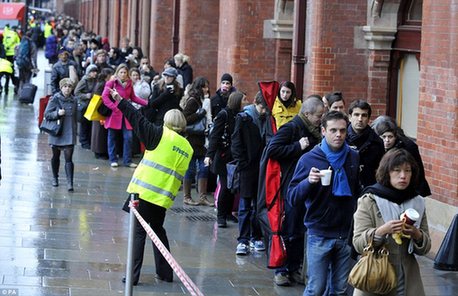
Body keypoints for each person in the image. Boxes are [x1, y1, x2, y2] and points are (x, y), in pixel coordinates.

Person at [112, 86, 193, 284]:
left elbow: (137, 119)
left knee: (139, 233)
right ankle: (165, 273)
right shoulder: (187, 147)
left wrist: (120, 100)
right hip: (163, 198)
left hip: (143, 193)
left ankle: (132, 277)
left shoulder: (159, 135)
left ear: (166, 121)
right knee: (157, 231)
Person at [288, 111, 360, 296]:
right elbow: (292, 197)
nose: (339, 135)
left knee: (339, 289)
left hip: (344, 233)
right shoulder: (309, 159)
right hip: (319, 233)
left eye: (343, 131)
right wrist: (308, 182)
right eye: (333, 130)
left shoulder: (352, 156)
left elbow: (356, 190)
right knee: (316, 288)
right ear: (323, 131)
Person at [352, 148, 431, 296]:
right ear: (386, 172)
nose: (403, 176)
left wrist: (417, 235)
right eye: (397, 170)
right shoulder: (370, 200)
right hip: (376, 274)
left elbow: (425, 248)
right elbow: (357, 243)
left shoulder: (417, 202)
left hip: (407, 277)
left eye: (408, 171)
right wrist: (381, 231)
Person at [265, 95, 325, 286]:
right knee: (288, 229)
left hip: (308, 186)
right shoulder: (291, 128)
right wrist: (297, 146)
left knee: (299, 229)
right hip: (290, 187)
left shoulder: (314, 130)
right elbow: (272, 149)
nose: (320, 119)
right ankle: (281, 269)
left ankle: (294, 268)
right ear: (307, 113)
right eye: (318, 115)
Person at [231, 92, 271, 255]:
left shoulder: (267, 119)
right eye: (262, 107)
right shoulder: (244, 118)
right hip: (248, 168)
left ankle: (256, 236)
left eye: (266, 109)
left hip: (261, 168)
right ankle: (243, 239)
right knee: (245, 205)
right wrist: (243, 162)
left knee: (258, 204)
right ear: (256, 103)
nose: (263, 111)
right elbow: (236, 142)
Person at [205, 92, 248, 226]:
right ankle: (221, 216)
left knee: (231, 187)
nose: (247, 101)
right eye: (244, 99)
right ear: (238, 101)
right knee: (225, 186)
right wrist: (209, 155)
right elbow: (215, 136)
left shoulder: (241, 116)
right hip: (223, 157)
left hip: (234, 157)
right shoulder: (224, 115)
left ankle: (228, 213)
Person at [371, 116, 431, 197]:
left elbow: (417, 172)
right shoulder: (374, 146)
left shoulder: (408, 147)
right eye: (383, 137)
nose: (386, 140)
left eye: (390, 137)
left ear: (395, 136)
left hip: (409, 189)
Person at [101, 64, 148, 167]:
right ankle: (113, 159)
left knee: (129, 137)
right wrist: (114, 107)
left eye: (125, 72)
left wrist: (146, 103)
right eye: (121, 72)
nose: (123, 74)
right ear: (117, 73)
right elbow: (104, 97)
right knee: (112, 137)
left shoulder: (129, 84)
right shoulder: (111, 83)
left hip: (126, 114)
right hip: (114, 114)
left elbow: (134, 97)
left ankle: (127, 160)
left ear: (127, 74)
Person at [182, 77, 213, 206]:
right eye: (204, 87)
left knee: (204, 169)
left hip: (202, 141)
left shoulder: (204, 101)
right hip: (192, 140)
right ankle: (187, 196)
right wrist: (200, 114)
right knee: (190, 169)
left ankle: (202, 197)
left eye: (207, 87)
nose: (206, 89)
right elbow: (185, 119)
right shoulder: (193, 101)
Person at [43, 78, 78, 192]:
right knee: (56, 156)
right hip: (57, 132)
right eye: (65, 86)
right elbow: (47, 114)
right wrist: (57, 113)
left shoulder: (74, 100)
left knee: (69, 158)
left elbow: (77, 116)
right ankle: (55, 177)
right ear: (61, 88)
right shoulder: (55, 99)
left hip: (69, 133)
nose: (67, 89)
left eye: (69, 87)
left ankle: (70, 183)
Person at [346, 99, 385, 188]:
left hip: (368, 188)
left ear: (368, 119)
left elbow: (381, 171)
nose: (360, 119)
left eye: (364, 115)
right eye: (356, 115)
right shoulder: (340, 138)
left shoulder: (377, 142)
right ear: (350, 117)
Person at [90, 68, 114, 159]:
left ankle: (99, 151)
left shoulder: (100, 83)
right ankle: (99, 151)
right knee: (99, 132)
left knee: (99, 132)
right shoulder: (102, 84)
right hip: (101, 110)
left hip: (101, 109)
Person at [74, 64, 98, 149]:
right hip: (84, 105)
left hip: (91, 105)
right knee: (84, 124)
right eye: (93, 71)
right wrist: (85, 96)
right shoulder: (84, 81)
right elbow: (76, 92)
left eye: (95, 71)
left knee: (89, 124)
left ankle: (88, 141)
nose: (95, 73)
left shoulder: (95, 80)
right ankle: (83, 141)